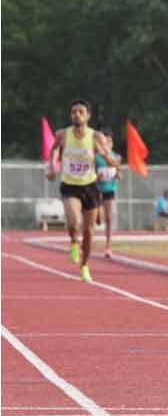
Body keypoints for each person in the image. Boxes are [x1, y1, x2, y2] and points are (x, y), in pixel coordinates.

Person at [45, 99, 119, 282]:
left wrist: (111, 160)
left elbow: (108, 156)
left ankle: (84, 266)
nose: (76, 114)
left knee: (89, 232)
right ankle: (73, 242)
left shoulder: (96, 137)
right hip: (70, 186)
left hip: (90, 187)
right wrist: (52, 166)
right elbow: (54, 150)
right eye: (73, 112)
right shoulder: (63, 134)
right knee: (74, 222)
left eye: (80, 111)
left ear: (88, 116)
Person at [94, 135, 122, 258]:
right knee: (98, 220)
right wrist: (97, 177)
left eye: (110, 141)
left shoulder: (117, 157)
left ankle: (108, 246)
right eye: (105, 141)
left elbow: (120, 174)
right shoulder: (96, 157)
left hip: (109, 190)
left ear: (112, 143)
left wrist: (117, 175)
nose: (108, 144)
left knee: (109, 218)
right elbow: (90, 174)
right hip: (96, 190)